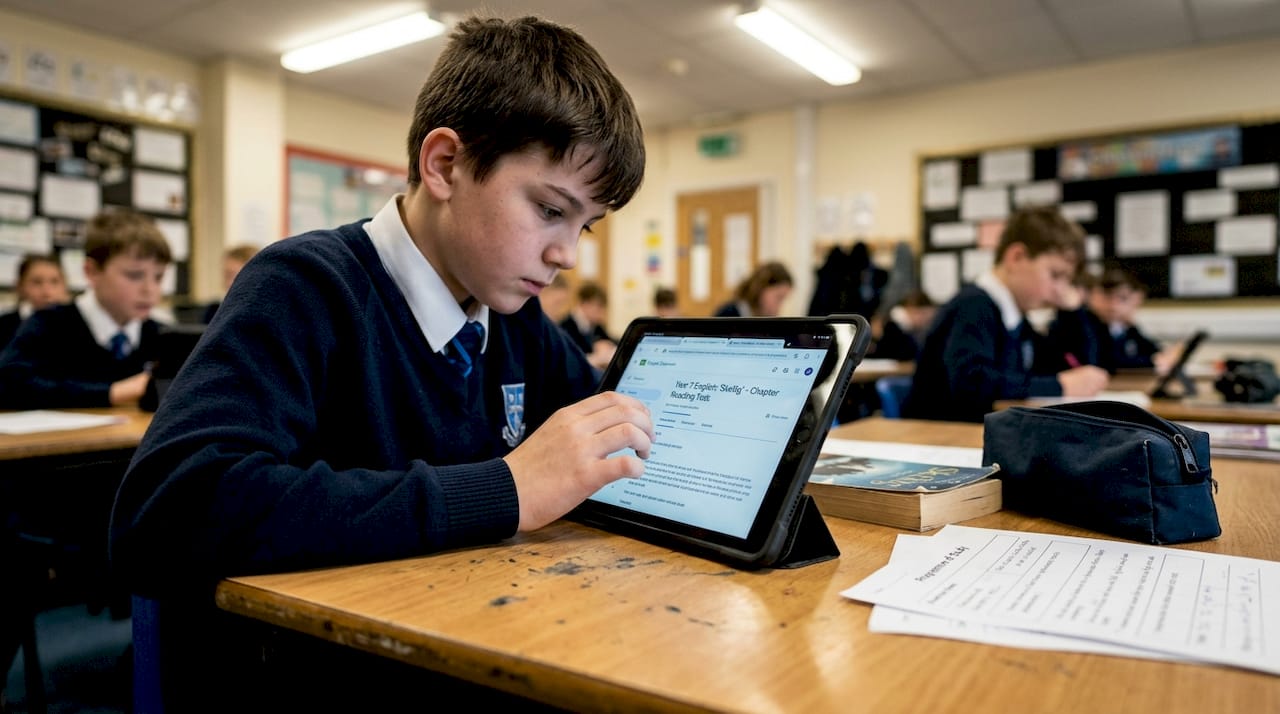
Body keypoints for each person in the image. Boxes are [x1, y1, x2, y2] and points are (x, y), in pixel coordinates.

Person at [108, 15, 652, 706]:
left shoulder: (512, 318)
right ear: (446, 164)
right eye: (550, 210)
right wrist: (504, 490)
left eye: (585, 226)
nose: (567, 253)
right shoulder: (304, 287)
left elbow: (603, 428)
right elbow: (165, 511)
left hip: (466, 643)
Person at [901, 206, 1109, 422]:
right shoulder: (974, 306)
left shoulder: (1016, 318)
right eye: (1055, 275)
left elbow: (1073, 366)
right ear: (1016, 257)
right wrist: (1059, 385)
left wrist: (1072, 313)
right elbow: (971, 383)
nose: (1061, 290)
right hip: (941, 438)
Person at [0, 210, 171, 409]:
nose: (150, 290)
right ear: (92, 272)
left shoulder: (162, 335)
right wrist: (112, 392)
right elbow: (7, 384)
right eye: (134, 275)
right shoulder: (49, 324)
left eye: (158, 277)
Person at [0, 253, 70, 349]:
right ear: (20, 286)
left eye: (55, 282)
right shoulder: (4, 326)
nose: (47, 292)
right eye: (37, 282)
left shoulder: (74, 325)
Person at [558, 280, 617, 370]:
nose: (601, 312)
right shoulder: (565, 326)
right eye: (598, 306)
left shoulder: (595, 325)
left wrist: (607, 345)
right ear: (584, 304)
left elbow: (609, 339)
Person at [867, 288, 935, 361]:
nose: (924, 320)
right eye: (923, 314)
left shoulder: (901, 326)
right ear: (911, 308)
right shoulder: (892, 326)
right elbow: (906, 354)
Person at [202, 243, 260, 323]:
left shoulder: (263, 314)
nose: (229, 283)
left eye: (234, 276)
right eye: (226, 276)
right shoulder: (214, 311)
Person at [714, 260, 793, 317]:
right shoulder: (727, 314)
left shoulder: (766, 320)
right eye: (778, 297)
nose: (779, 306)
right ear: (761, 288)